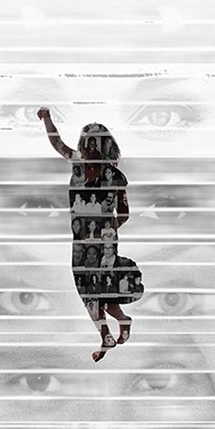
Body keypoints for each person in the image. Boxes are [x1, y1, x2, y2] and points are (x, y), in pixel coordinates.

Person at [38, 108, 144, 362]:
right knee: (87, 289)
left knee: (99, 288)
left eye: (96, 142)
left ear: (105, 145)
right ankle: (119, 322)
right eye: (88, 141)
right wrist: (47, 118)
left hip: (104, 244)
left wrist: (108, 229)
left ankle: (107, 333)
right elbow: (56, 142)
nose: (91, 147)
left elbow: (126, 212)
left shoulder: (116, 177)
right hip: (79, 243)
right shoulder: (77, 164)